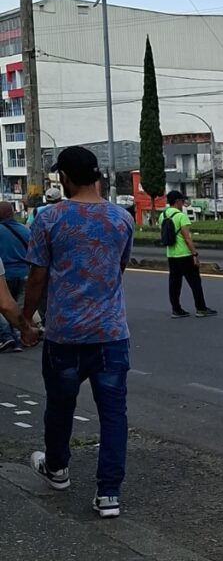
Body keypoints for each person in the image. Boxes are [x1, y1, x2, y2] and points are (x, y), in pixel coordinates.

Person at [21, 146, 133, 519]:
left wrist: (26, 321)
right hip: (111, 333)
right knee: (114, 414)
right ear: (97, 176)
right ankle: (109, 494)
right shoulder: (122, 218)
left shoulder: (49, 218)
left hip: (64, 334)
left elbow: (36, 276)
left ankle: (57, 469)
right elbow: (118, 267)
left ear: (65, 177)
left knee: (60, 406)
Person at [159, 191, 216, 319]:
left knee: (174, 282)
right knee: (195, 281)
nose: (183, 204)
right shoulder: (181, 216)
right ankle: (201, 308)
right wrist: (194, 253)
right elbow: (187, 238)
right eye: (182, 201)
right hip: (184, 254)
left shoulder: (162, 215)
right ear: (178, 201)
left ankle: (176, 309)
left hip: (171, 254)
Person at [0, 201, 30, 352]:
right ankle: (22, 336)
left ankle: (9, 337)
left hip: (5, 275)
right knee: (18, 307)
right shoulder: (25, 230)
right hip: (24, 273)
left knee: (5, 307)